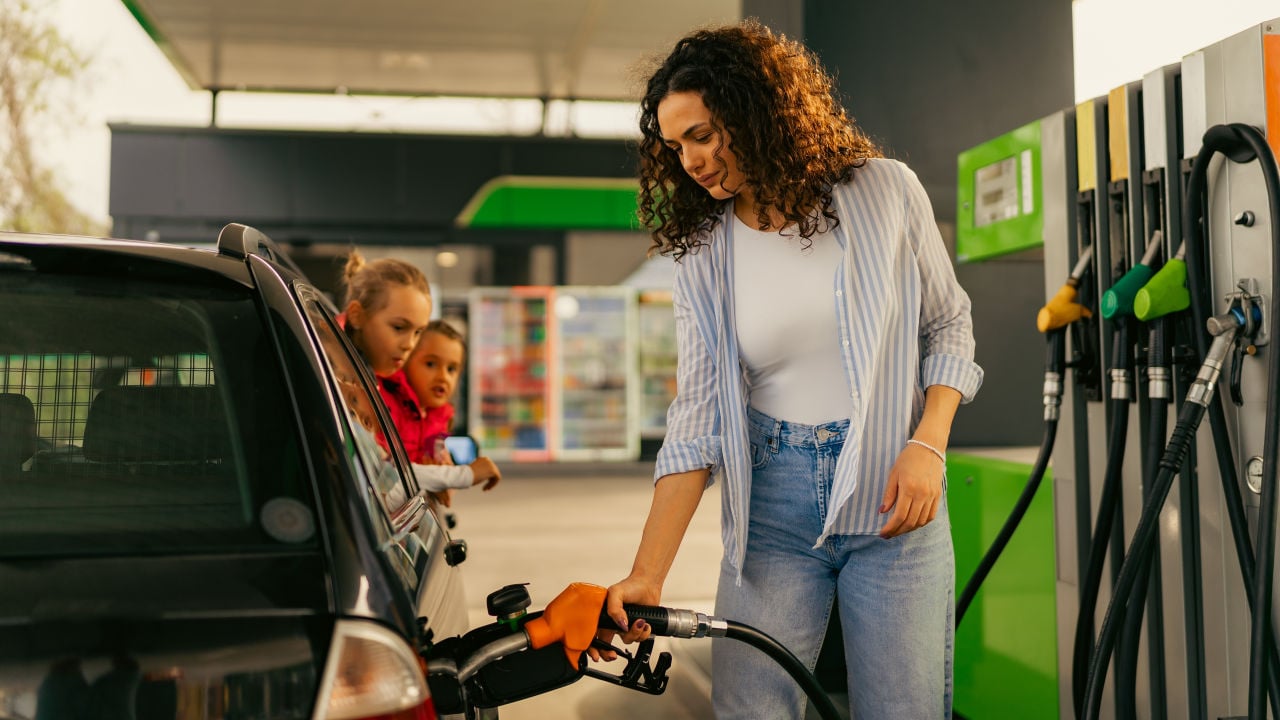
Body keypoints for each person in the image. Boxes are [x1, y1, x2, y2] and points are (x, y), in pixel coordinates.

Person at [595, 20, 983, 719]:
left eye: (703, 135)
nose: (691, 160)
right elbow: (697, 418)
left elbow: (947, 322)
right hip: (772, 508)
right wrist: (646, 575)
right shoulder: (704, 254)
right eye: (676, 146)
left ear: (758, 113)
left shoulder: (883, 191)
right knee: (752, 711)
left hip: (894, 501)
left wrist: (929, 444)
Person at [340, 251, 500, 498]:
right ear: (357, 315)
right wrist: (462, 475)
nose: (409, 345)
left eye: (417, 332)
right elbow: (381, 482)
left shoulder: (363, 378)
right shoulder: (344, 382)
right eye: (399, 327)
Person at [402, 319, 498, 507]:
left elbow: (443, 487)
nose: (443, 377)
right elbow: (388, 478)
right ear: (404, 361)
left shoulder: (438, 421)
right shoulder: (388, 409)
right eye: (431, 364)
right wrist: (461, 475)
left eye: (452, 369)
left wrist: (444, 478)